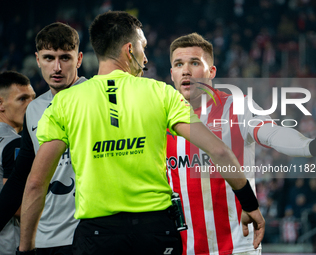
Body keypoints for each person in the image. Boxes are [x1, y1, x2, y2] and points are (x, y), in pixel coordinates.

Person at [17, 11, 265, 255]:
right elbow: (219, 150)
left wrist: (26, 248)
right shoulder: (161, 93)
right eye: (142, 47)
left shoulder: (64, 103)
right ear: (129, 50)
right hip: (155, 233)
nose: (145, 58)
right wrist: (249, 202)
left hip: (97, 236)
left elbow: (37, 183)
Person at [166, 32, 316, 255]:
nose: (186, 70)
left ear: (212, 71)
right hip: (186, 248)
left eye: (195, 62)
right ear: (172, 74)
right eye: (179, 64)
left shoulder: (236, 106)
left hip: (238, 247)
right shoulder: (162, 119)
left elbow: (272, 133)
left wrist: (309, 146)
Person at [0, 22, 86, 255]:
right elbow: (21, 177)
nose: (56, 67)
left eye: (65, 58)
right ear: (37, 60)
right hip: (46, 237)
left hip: (88, 232)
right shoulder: (35, 109)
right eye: (49, 58)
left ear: (79, 59)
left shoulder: (96, 97)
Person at [0, 71, 35, 255]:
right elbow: (19, 208)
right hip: (8, 244)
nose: (32, 106)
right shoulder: (12, 144)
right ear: (0, 104)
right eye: (22, 99)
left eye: (33, 99)